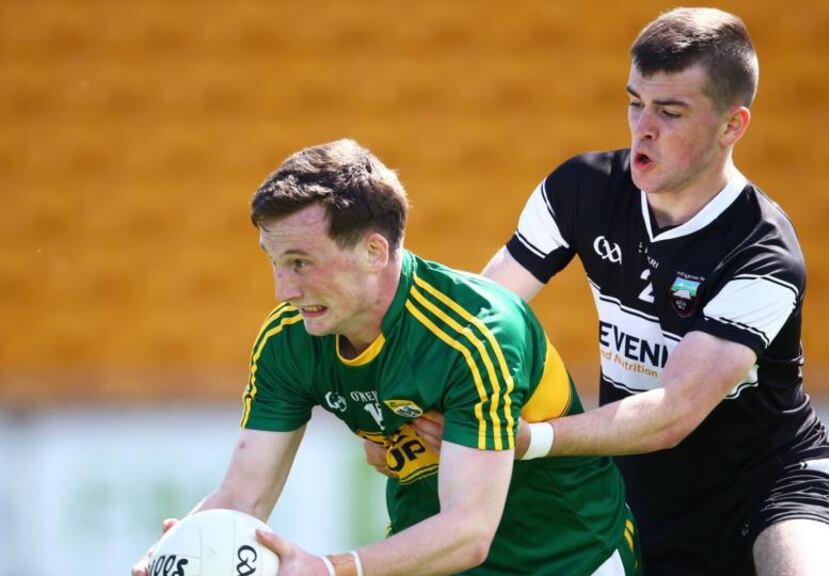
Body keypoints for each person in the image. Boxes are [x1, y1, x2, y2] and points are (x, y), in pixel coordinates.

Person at [414, 7, 829, 576]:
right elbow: (477, 317)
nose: (642, 128)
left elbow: (673, 413)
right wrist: (398, 416)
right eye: (634, 102)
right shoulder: (582, 189)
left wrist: (527, 440)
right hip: (632, 494)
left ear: (732, 125)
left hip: (768, 484)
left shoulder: (762, 252)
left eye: (670, 112)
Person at [131, 139, 639, 576]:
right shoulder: (289, 340)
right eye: (275, 262)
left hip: (570, 560)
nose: (283, 289)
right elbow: (243, 496)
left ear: (374, 252)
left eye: (301, 263)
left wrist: (331, 568)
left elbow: (469, 531)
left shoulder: (476, 333)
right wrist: (177, 552)